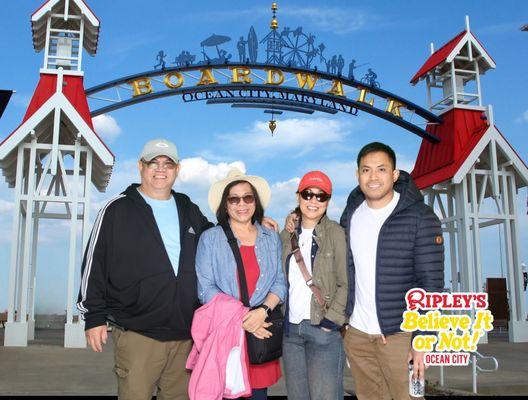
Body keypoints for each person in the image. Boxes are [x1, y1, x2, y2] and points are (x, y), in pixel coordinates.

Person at [77, 139, 278, 400]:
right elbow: (95, 262)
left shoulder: (187, 208)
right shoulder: (116, 209)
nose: (161, 169)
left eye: (168, 164)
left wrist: (251, 220)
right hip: (138, 333)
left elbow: (221, 234)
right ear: (141, 166)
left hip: (186, 335)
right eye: (153, 163)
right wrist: (93, 317)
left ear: (177, 169)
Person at [340, 142, 444, 399]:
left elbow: (431, 283)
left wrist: (423, 340)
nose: (373, 177)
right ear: (357, 175)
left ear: (395, 174)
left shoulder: (421, 216)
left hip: (401, 336)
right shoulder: (351, 213)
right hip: (358, 336)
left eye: (381, 169)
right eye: (366, 170)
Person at [195, 168, 287, 400]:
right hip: (225, 335)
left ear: (255, 202)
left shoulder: (271, 237)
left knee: (258, 395)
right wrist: (247, 318)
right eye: (234, 199)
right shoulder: (211, 239)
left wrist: (263, 311)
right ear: (225, 205)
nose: (241, 204)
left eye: (247, 197)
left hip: (260, 337)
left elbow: (279, 282)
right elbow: (206, 289)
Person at [280, 171, 348, 400]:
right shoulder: (286, 235)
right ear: (298, 196)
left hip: (322, 329)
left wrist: (330, 323)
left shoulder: (336, 233)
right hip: (291, 333)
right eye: (308, 194)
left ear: (328, 202)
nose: (313, 201)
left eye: (321, 196)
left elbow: (345, 283)